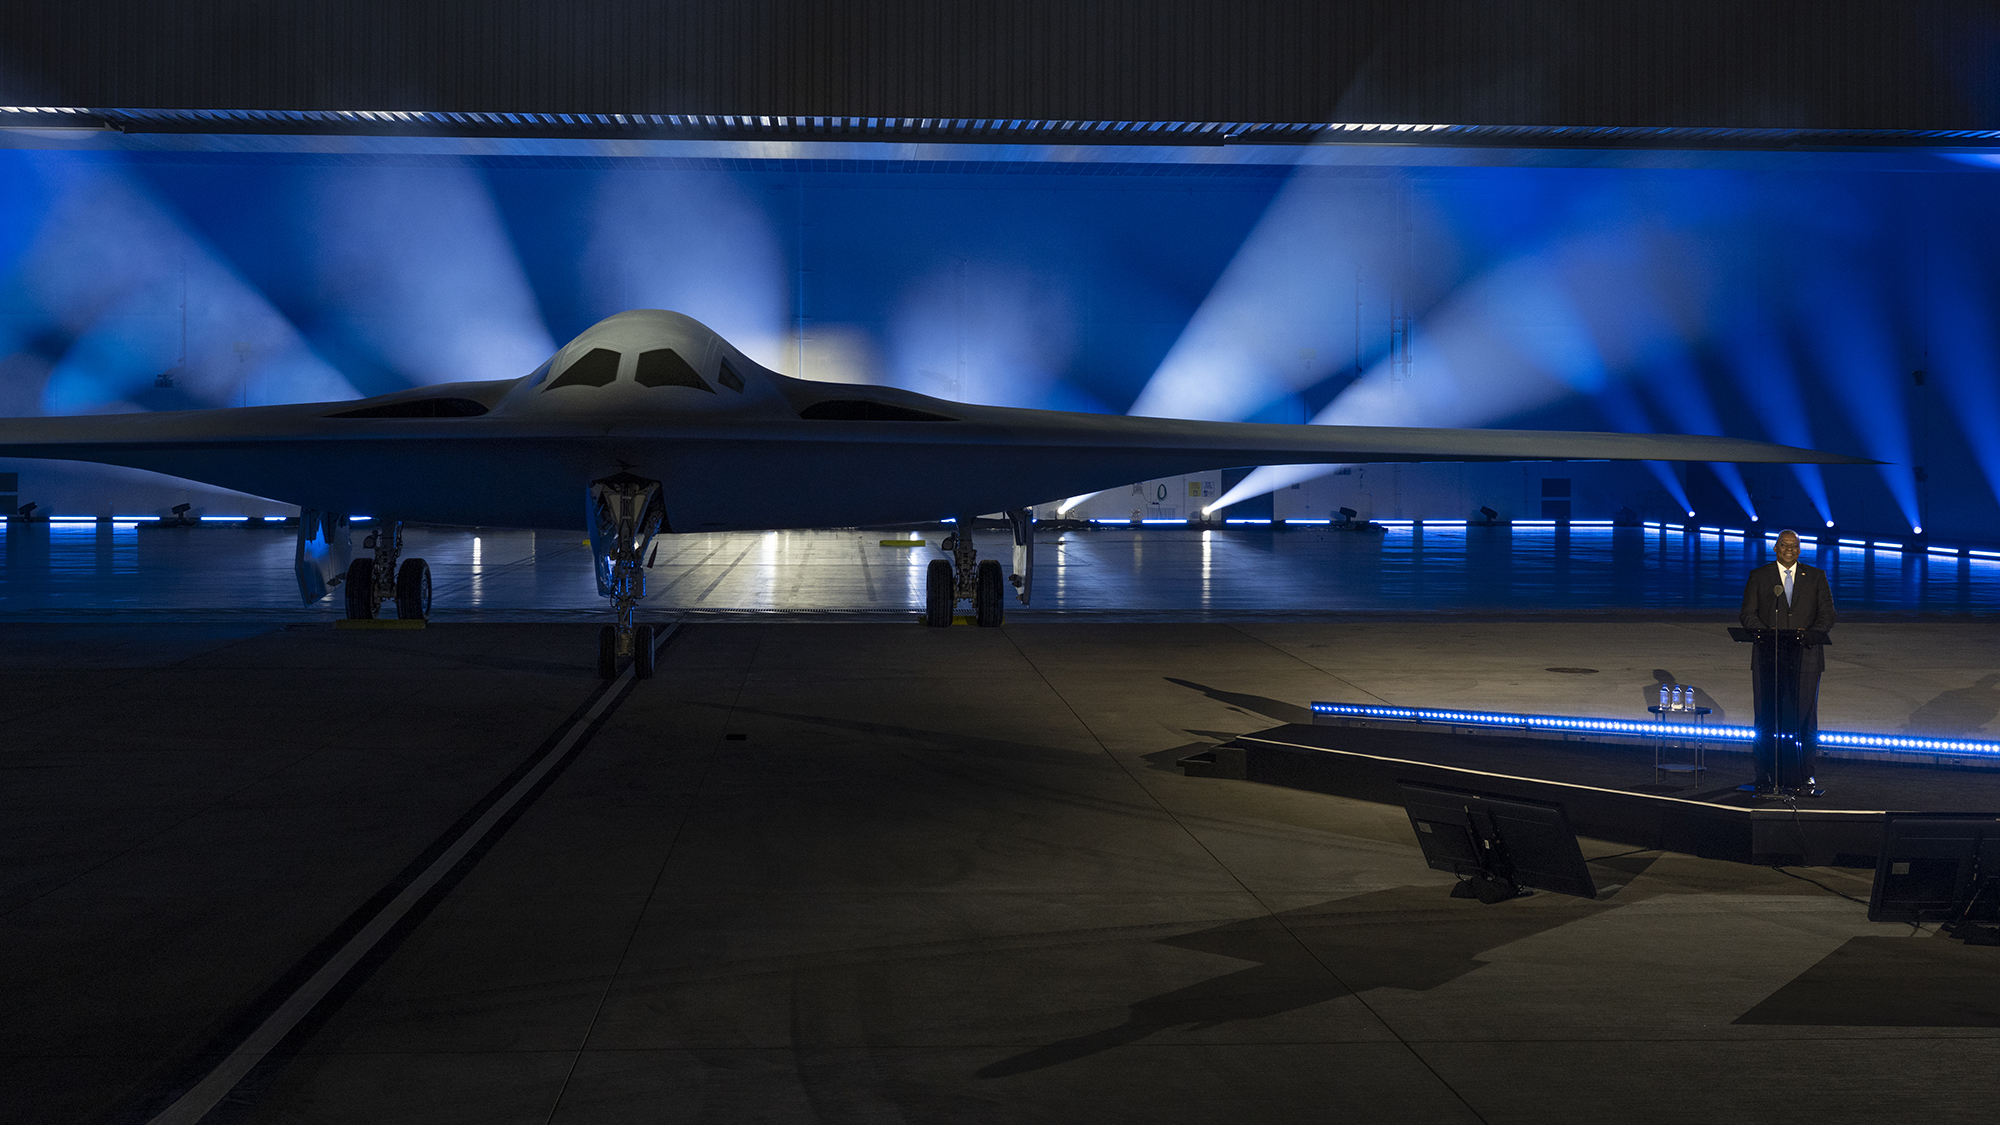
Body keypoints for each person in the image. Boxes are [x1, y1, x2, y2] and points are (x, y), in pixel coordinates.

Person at [1738, 529, 1836, 795]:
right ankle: (1765, 775)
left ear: (1800, 549)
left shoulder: (1816, 576)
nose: (1789, 550)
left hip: (1806, 658)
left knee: (1805, 718)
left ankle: (1805, 775)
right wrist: (1768, 634)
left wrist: (1810, 634)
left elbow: (1827, 614)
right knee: (1766, 717)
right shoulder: (1759, 576)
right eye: (1784, 545)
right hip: (1769, 657)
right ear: (1775, 548)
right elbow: (1747, 614)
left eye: (1794, 546)